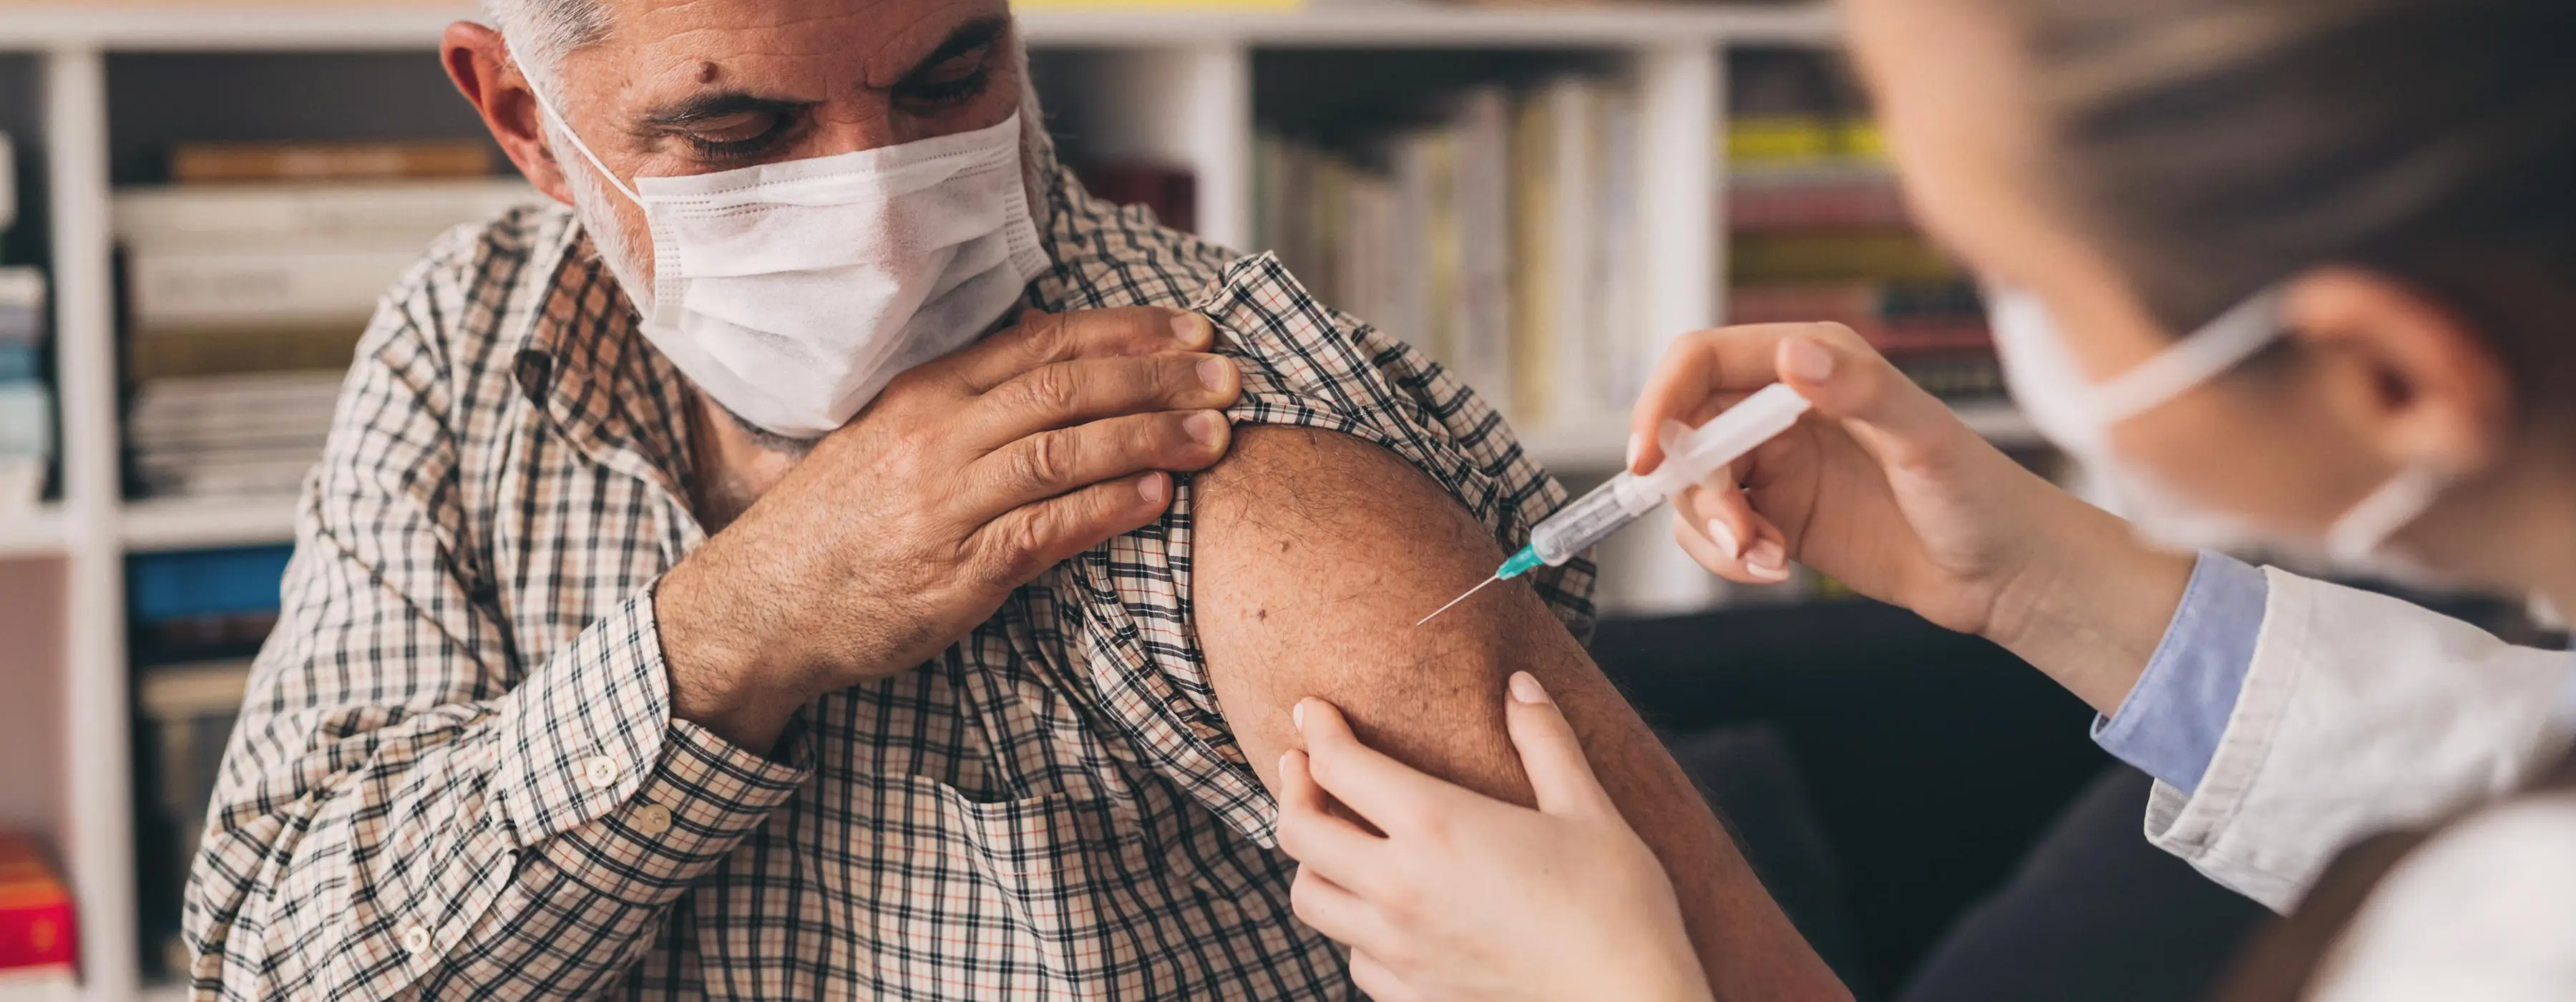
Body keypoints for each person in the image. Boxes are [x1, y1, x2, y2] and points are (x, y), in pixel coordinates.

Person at [182, 0, 1847, 998]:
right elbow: (270, 965)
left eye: (946, 76)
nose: (885, 226)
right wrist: (735, 627)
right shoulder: (474, 335)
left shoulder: (1235, 440)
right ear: (525, 118)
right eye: (738, 130)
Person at [1273, 0, 2576, 998]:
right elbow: (2508, 739)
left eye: (2017, 278)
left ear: (2393, 374)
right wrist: (2030, 580)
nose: (2015, 338)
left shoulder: (2501, 933)